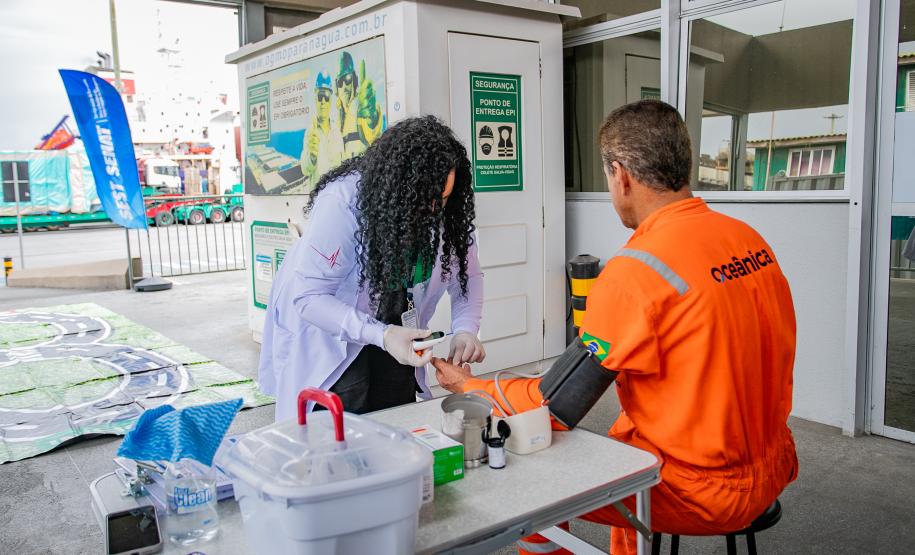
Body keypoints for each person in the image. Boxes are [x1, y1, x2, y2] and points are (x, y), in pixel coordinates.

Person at [433, 100, 799, 555]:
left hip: (702, 489)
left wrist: (475, 387)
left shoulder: (637, 271)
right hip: (775, 462)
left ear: (620, 174)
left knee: (524, 472)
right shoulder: (748, 239)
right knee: (625, 430)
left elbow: (555, 406)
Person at [259, 115, 486, 421]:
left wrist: (466, 331)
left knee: (396, 409)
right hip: (330, 324)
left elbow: (467, 278)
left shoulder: (447, 212)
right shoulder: (344, 202)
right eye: (427, 200)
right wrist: (380, 334)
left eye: (443, 199)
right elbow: (310, 297)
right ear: (398, 190)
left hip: (393, 317)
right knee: (343, 412)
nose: (436, 210)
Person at [301, 71, 343, 190]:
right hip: (318, 198)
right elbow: (305, 169)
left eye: (326, 97)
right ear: (315, 99)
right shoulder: (310, 132)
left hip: (335, 195)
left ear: (330, 100)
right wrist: (312, 157)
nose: (323, 101)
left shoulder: (337, 131)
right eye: (320, 97)